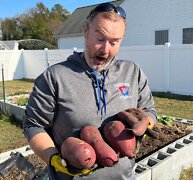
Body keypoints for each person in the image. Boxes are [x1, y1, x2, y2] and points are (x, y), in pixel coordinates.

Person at [23, 3, 157, 180]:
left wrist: (145, 123)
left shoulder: (132, 72)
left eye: (114, 42)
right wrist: (55, 159)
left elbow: (150, 110)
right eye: (100, 39)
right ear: (86, 30)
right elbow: (33, 125)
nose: (105, 49)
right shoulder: (54, 77)